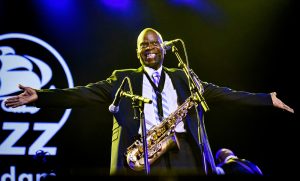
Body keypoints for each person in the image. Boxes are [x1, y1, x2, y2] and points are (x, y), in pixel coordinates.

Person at [4, 28, 294, 176]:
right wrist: (41, 96)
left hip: (185, 153)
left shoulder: (184, 77)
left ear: (165, 48)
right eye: (143, 44)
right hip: (141, 153)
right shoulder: (123, 78)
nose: (149, 47)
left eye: (154, 43)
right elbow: (82, 94)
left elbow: (225, 94)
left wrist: (266, 99)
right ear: (137, 52)